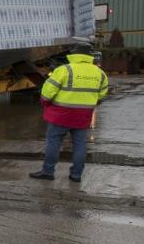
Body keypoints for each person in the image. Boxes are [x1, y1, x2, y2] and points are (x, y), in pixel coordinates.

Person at [29, 43, 109, 183]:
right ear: (89, 56)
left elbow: (47, 93)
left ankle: (48, 171)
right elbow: (102, 94)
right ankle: (76, 175)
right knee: (79, 144)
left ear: (74, 54)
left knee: (54, 142)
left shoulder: (64, 70)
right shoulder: (100, 73)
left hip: (61, 115)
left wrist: (46, 103)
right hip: (83, 116)